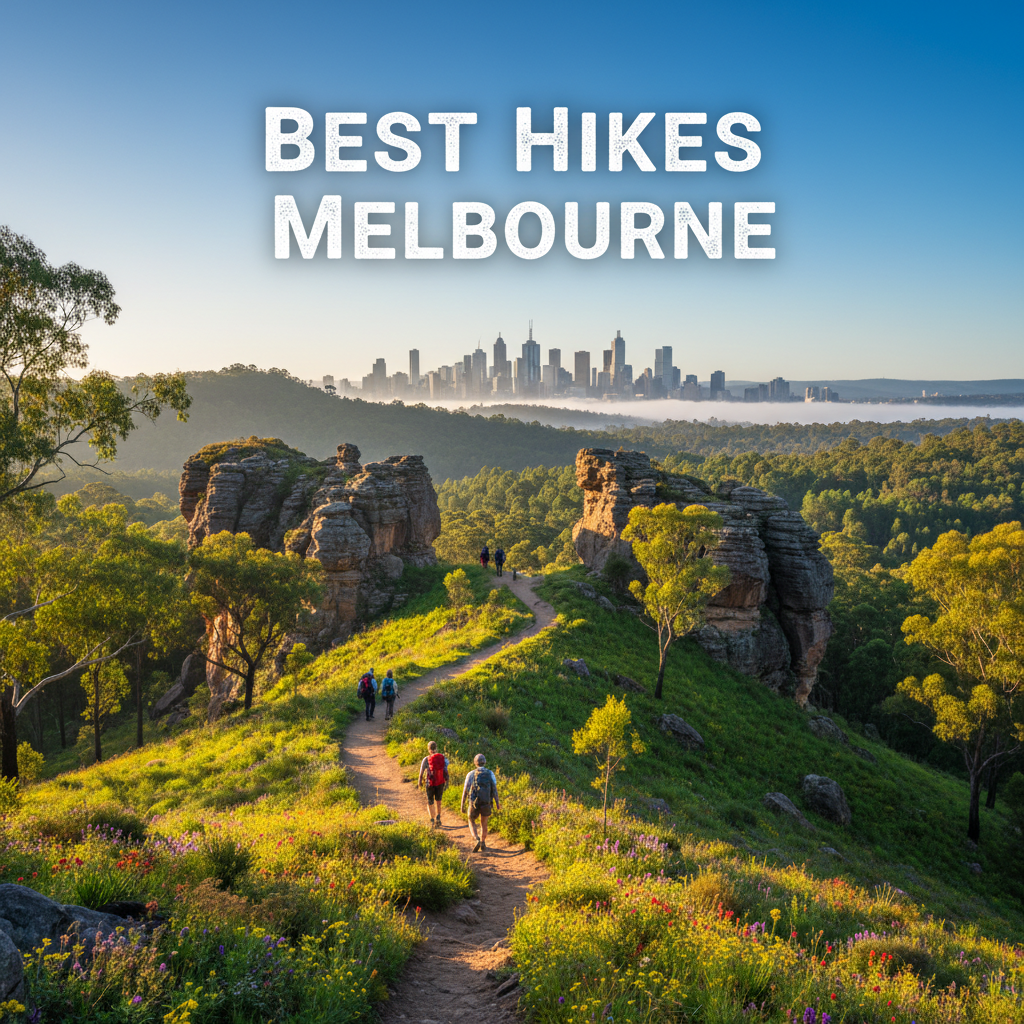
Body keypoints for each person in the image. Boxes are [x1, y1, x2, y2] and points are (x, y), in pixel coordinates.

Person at [460, 753, 500, 852]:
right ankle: (482, 842)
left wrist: (462, 804)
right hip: (486, 801)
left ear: (475, 763)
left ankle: (476, 838)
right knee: (484, 823)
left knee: (471, 820)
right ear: (484, 762)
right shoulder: (490, 773)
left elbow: (465, 790)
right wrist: (497, 803)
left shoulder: (470, 774)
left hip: (474, 802)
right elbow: (494, 790)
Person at [417, 740, 449, 828]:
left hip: (429, 783)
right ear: (436, 748)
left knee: (430, 801)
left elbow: (421, 772)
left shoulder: (426, 759)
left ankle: (432, 819)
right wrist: (447, 782)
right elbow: (445, 769)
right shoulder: (442, 757)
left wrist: (419, 781)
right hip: (440, 782)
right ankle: (438, 816)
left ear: (428, 749)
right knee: (438, 800)